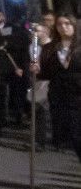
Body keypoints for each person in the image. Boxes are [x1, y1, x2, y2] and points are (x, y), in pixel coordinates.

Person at [36, 15, 81, 163]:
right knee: (74, 135)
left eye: (68, 23)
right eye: (60, 24)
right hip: (61, 96)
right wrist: (37, 70)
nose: (64, 27)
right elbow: (47, 74)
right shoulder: (51, 48)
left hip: (79, 93)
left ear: (74, 26)